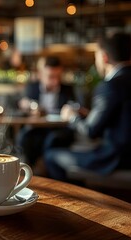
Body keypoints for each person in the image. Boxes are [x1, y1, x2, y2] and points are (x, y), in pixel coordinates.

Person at [44, 32, 131, 181]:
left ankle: (73, 202)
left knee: (51, 155)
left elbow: (90, 131)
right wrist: (90, 114)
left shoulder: (109, 86)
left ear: (104, 57)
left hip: (116, 159)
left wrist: (72, 116)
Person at [17, 56, 76, 169]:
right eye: (51, 77)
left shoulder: (68, 89)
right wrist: (28, 106)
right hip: (38, 128)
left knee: (52, 139)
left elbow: (75, 107)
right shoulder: (32, 87)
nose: (55, 81)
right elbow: (21, 104)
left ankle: (45, 172)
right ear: (40, 74)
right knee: (24, 137)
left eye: (58, 76)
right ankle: (27, 171)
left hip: (60, 129)